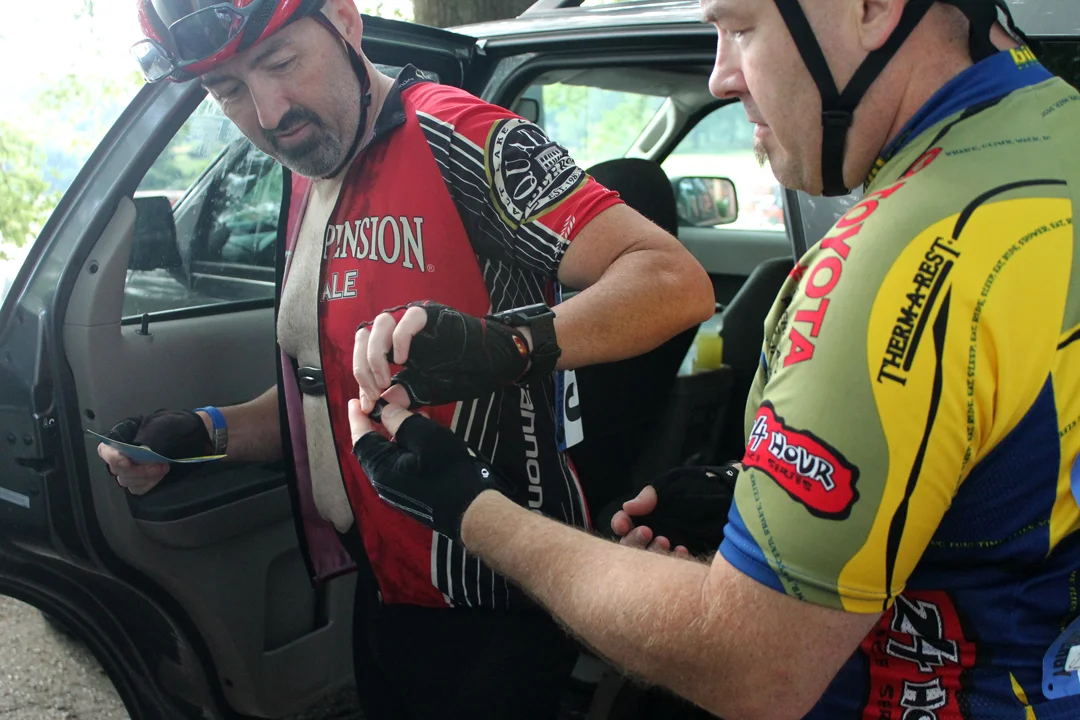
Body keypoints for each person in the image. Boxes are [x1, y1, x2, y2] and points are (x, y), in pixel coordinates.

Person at [350, 0, 1080, 717]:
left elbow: (751, 668)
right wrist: (747, 491)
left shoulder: (897, 262)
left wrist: (468, 504)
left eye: (739, 28)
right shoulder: (1054, 140)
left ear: (874, 7)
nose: (723, 77)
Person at [103, 0, 715, 717]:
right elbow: (332, 393)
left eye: (280, 64)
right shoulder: (310, 165)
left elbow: (674, 282)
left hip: (495, 590)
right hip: (387, 580)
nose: (268, 113)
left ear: (345, 20)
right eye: (229, 92)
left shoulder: (458, 133)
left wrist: (507, 344)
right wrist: (207, 431)